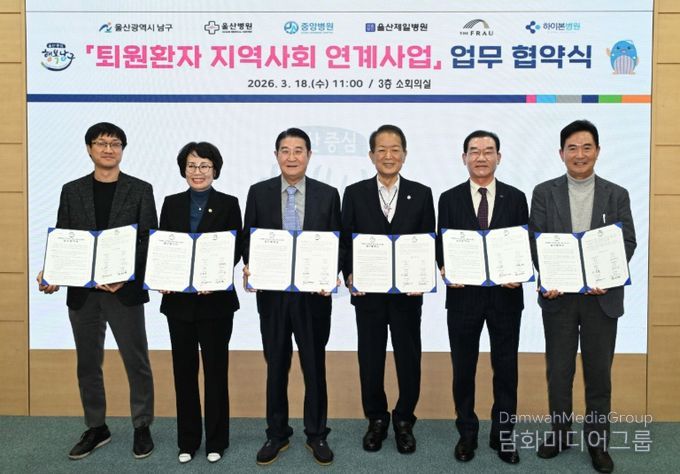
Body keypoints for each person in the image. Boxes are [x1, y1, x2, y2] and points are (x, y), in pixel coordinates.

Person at [36, 122, 156, 460]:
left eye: (115, 143)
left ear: (122, 150)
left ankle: (142, 425)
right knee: (88, 364)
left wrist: (125, 276)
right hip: (83, 292)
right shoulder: (71, 190)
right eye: (101, 143)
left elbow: (148, 239)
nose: (108, 149)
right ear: (89, 149)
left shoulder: (140, 189)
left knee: (136, 360)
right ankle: (96, 427)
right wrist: (51, 273)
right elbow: (64, 237)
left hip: (123, 291)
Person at [529, 120, 636, 474]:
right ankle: (560, 435)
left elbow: (628, 241)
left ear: (598, 151)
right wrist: (549, 276)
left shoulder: (616, 194)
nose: (579, 154)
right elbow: (536, 240)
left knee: (598, 375)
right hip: (559, 297)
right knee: (559, 373)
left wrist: (607, 274)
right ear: (561, 153)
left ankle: (597, 443)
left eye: (586, 147)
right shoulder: (544, 192)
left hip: (601, 299)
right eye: (572, 148)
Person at [242, 128, 341, 466]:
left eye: (299, 150)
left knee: (314, 366)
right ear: (276, 156)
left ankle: (317, 433)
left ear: (309, 156)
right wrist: (252, 266)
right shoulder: (259, 193)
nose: (292, 157)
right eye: (285, 150)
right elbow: (248, 239)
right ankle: (277, 433)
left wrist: (331, 272)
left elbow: (337, 241)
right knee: (276, 366)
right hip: (273, 297)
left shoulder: (328, 195)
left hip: (313, 297)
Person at [341, 124, 435, 455]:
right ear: (371, 155)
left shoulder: (422, 193)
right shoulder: (354, 193)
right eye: (381, 149)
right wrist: (349, 274)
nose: (388, 155)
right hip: (368, 296)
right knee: (370, 359)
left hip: (407, 297)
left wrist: (423, 276)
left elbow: (428, 241)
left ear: (404, 155)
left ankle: (405, 419)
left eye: (395, 149)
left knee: (409, 359)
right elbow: (345, 240)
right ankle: (377, 419)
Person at [436, 130, 527, 464]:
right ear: (464, 158)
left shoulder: (516, 198)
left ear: (499, 157)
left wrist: (519, 271)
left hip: (506, 298)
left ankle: (503, 435)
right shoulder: (448, 198)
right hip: (464, 299)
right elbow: (440, 243)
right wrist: (444, 266)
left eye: (489, 151)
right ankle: (467, 433)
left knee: (506, 370)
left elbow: (524, 242)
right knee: (463, 369)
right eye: (474, 151)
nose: (481, 157)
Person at [158, 142, 242, 464]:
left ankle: (217, 440)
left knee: (216, 373)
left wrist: (214, 278)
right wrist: (163, 275)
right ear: (184, 169)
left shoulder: (229, 203)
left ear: (215, 170)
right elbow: (164, 245)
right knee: (184, 373)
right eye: (192, 166)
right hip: (178, 304)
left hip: (216, 303)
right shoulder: (171, 203)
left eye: (204, 165)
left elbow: (235, 248)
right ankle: (188, 441)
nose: (198, 172)